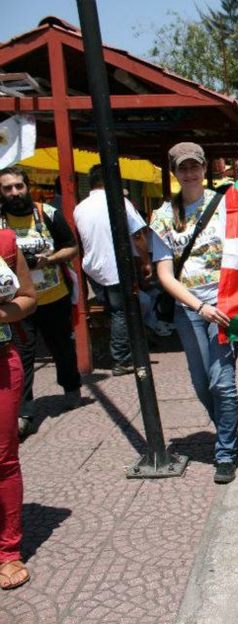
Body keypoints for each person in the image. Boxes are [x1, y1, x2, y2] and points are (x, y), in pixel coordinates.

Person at [149, 142, 238, 485]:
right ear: (175, 172)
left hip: (224, 303)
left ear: (205, 169)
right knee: (202, 384)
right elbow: (164, 274)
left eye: (195, 166)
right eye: (183, 168)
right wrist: (199, 306)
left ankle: (226, 451)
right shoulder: (162, 216)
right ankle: (227, 430)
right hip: (189, 307)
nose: (190, 173)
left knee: (223, 382)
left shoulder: (226, 204)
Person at [0, 166, 82, 436]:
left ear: (27, 186)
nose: (14, 193)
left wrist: (51, 259)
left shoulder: (47, 213)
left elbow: (72, 247)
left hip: (53, 296)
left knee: (62, 347)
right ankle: (24, 411)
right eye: (7, 188)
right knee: (23, 355)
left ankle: (71, 388)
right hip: (17, 303)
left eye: (18, 186)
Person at [74, 164, 152, 376]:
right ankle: (121, 359)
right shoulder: (119, 202)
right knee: (122, 311)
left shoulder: (80, 207)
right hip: (116, 266)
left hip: (93, 269)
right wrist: (145, 262)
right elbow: (138, 235)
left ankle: (110, 349)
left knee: (110, 309)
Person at [0, 227, 37, 589]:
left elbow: (28, 298)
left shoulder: (5, 243)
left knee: (3, 457)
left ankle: (8, 550)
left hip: (1, 362)